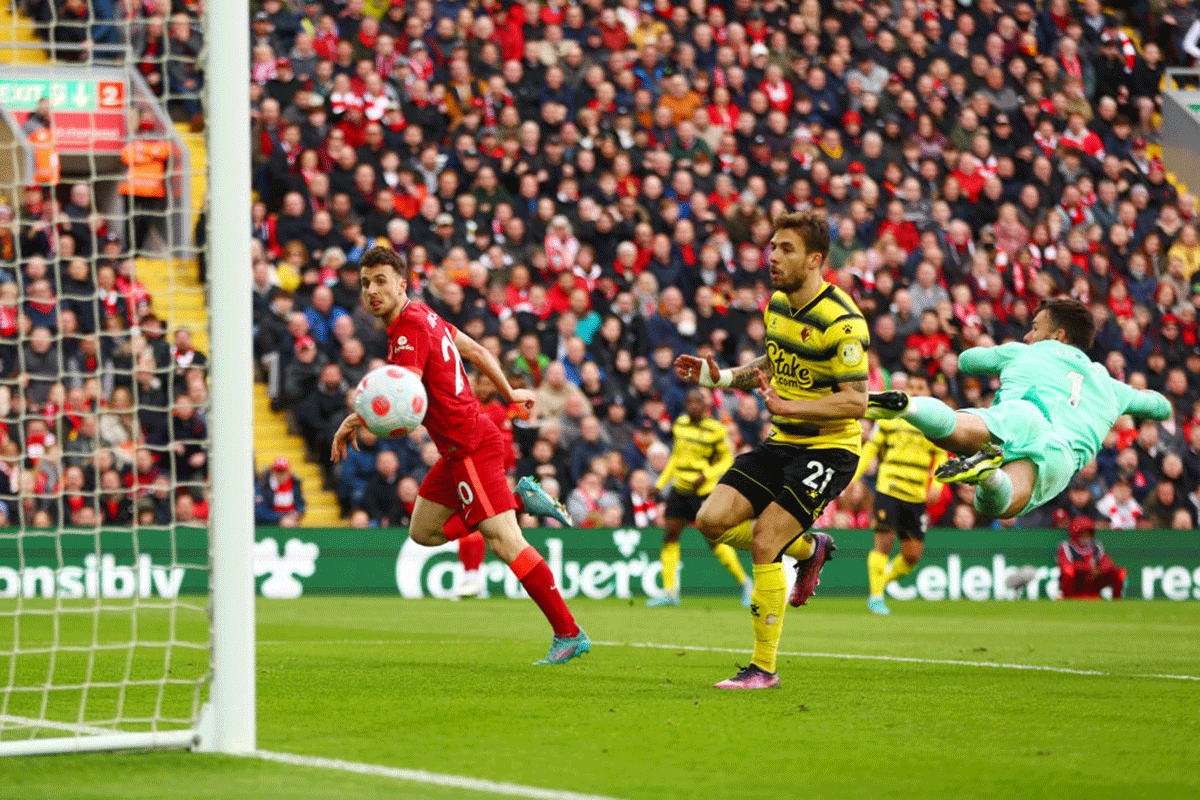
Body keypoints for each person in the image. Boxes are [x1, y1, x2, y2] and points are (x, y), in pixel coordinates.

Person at [332, 246, 588, 665]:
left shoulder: (407, 328)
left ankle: (568, 632)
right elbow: (479, 352)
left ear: (401, 284)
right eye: (365, 284)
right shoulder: (426, 316)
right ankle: (520, 500)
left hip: (469, 445)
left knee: (505, 541)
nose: (372, 291)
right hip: (456, 451)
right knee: (424, 531)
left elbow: (403, 396)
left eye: (380, 281)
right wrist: (508, 392)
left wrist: (355, 418)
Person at [674, 211, 869, 689]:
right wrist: (716, 378)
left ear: (815, 259)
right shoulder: (778, 305)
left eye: (786, 249)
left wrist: (793, 403)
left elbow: (856, 401)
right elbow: (772, 361)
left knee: (765, 539)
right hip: (782, 441)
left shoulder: (843, 321)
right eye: (773, 247)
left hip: (829, 450)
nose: (773, 257)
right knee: (710, 521)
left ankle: (763, 669)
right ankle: (810, 547)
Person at [866, 298, 1173, 520]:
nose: (1028, 336)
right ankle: (988, 476)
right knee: (995, 503)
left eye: (1035, 328)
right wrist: (1126, 399)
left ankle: (907, 406)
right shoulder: (1110, 387)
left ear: (1058, 335)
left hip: (1024, 413)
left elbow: (967, 361)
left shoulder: (1022, 351)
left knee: (958, 428)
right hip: (1062, 450)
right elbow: (1160, 407)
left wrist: (1001, 353)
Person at [648, 387, 753, 608]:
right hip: (680, 489)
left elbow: (726, 460)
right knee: (670, 536)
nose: (694, 406)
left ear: (705, 407)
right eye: (690, 402)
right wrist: (659, 484)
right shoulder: (680, 425)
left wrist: (707, 475)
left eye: (698, 403)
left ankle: (745, 583)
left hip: (703, 491)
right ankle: (670, 592)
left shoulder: (716, 430)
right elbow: (676, 456)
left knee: (714, 540)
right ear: (686, 405)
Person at [852, 373, 947, 615]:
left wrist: (936, 486)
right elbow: (871, 448)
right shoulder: (889, 417)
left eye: (920, 387)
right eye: (911, 387)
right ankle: (875, 597)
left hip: (916, 495)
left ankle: (879, 585)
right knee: (883, 542)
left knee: (913, 555)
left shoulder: (933, 423)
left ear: (927, 392)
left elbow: (941, 455)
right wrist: (852, 478)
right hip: (889, 489)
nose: (915, 390)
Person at [1057, 516, 1126, 599]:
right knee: (1068, 570)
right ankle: (1068, 597)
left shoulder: (1096, 546)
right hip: (1077, 581)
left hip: (1094, 581)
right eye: (1083, 533)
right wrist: (1088, 569)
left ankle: (1116, 600)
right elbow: (1065, 564)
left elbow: (1108, 563)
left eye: (1088, 533)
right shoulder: (1066, 546)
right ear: (1075, 533)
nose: (1086, 536)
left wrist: (1099, 570)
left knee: (1120, 572)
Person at [254, 456, 305, 527]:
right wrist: (282, 517)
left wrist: (297, 513)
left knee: (290, 524)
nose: (281, 475)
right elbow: (259, 514)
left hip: (290, 522)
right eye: (278, 471)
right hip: (268, 525)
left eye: (284, 472)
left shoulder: (295, 484)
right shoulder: (263, 486)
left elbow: (300, 505)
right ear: (273, 472)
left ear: (288, 472)